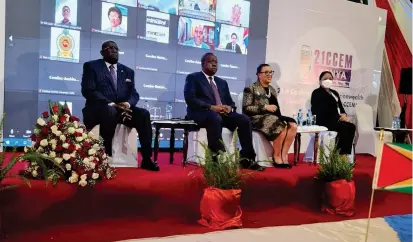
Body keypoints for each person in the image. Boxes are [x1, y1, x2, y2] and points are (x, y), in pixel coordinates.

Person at [81, 40, 159, 171]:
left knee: (143, 114)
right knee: (110, 110)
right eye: (110, 48)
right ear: (102, 52)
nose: (114, 50)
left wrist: (128, 104)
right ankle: (106, 156)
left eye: (116, 48)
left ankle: (146, 158)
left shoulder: (128, 71)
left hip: (122, 110)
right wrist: (110, 103)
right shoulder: (91, 66)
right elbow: (88, 90)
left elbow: (134, 93)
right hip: (98, 109)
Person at [184, 53, 264, 171]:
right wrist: (211, 107)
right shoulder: (193, 78)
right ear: (203, 64)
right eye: (211, 61)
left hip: (221, 114)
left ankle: (247, 158)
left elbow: (230, 102)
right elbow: (190, 99)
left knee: (244, 119)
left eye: (216, 62)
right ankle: (218, 157)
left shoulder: (222, 82)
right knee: (215, 117)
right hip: (202, 113)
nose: (214, 64)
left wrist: (229, 108)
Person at [243, 64, 297, 169]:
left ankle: (283, 156)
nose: (269, 74)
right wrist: (265, 107)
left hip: (272, 117)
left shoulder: (272, 89)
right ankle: (276, 156)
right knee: (278, 123)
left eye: (271, 72)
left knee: (293, 124)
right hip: (256, 118)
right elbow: (246, 108)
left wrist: (282, 118)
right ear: (259, 75)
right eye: (266, 72)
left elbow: (276, 109)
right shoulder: (251, 88)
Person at [311, 71, 356, 156]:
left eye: (330, 79)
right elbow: (322, 110)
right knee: (344, 127)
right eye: (325, 79)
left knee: (351, 126)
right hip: (324, 120)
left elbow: (341, 107)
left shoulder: (334, 93)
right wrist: (339, 117)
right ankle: (339, 155)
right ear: (320, 81)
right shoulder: (317, 93)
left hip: (336, 119)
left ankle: (344, 154)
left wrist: (344, 114)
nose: (328, 80)